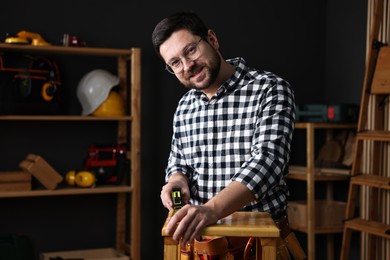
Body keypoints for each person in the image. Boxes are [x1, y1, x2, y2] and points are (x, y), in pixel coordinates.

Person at [152, 11, 296, 248]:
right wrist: (176, 181)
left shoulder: (270, 89)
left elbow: (268, 163)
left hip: (258, 244)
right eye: (175, 63)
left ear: (212, 39)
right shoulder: (185, 106)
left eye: (191, 50)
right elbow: (178, 163)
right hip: (201, 244)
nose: (188, 66)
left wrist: (211, 210)